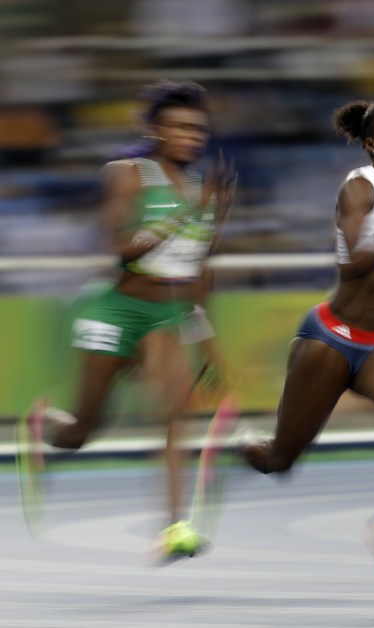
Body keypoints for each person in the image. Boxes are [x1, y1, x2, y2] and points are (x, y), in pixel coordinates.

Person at [16, 80, 235, 561]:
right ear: (156, 130)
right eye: (179, 126)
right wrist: (184, 216)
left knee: (177, 408)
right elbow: (120, 248)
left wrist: (210, 345)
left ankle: (175, 526)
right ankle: (42, 425)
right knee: (82, 431)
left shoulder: (205, 192)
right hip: (114, 309)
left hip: (166, 314)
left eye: (198, 128)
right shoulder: (128, 173)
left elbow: (197, 272)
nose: (191, 135)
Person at [237, 99, 374, 574]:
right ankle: (246, 443)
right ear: (372, 144)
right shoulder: (359, 188)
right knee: (280, 462)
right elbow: (349, 268)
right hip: (331, 337)